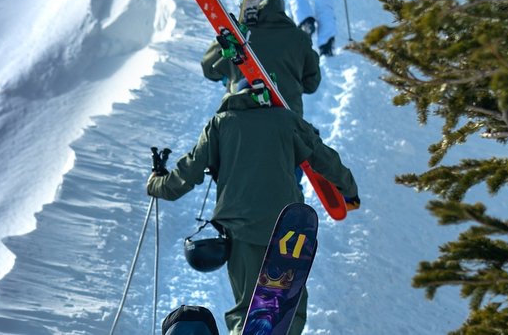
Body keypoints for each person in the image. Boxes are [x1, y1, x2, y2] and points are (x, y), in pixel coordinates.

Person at [147, 82, 359, 335]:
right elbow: (325, 158)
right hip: (288, 228)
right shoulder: (286, 120)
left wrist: (158, 184)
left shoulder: (221, 123)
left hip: (241, 229)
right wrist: (349, 191)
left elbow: (189, 171)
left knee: (248, 310)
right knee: (288, 308)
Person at [200, 0, 320, 117]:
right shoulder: (299, 38)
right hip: (288, 121)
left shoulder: (240, 35)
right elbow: (311, 84)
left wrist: (229, 34)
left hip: (240, 119)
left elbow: (209, 69)